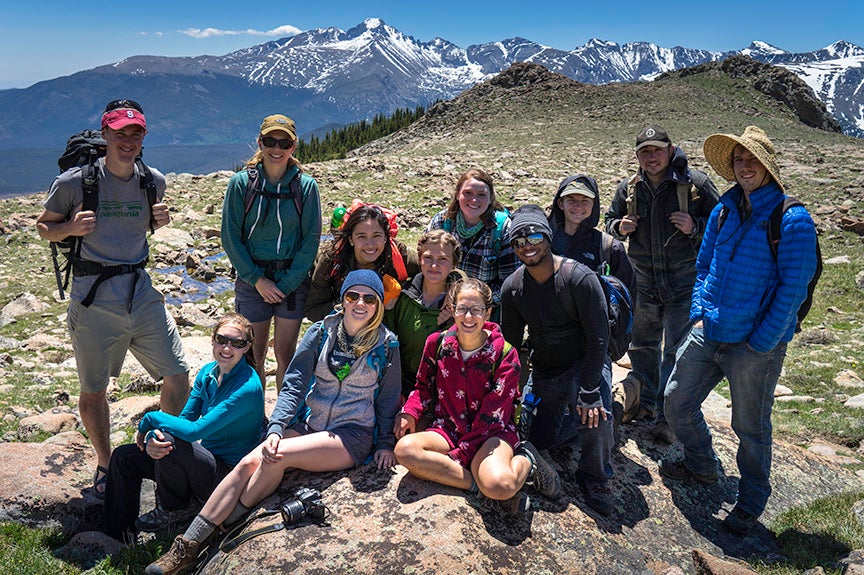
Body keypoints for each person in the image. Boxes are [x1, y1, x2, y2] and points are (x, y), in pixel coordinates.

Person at [146, 270, 401, 575]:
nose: (360, 303)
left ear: (377, 305)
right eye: (352, 295)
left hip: (351, 435)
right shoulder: (320, 333)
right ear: (343, 300)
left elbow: (388, 399)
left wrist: (385, 442)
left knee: (278, 456)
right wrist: (277, 427)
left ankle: (225, 525)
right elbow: (294, 383)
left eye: (369, 298)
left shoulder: (387, 345)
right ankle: (185, 547)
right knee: (249, 462)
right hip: (310, 424)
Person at [660, 126, 818, 535]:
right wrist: (698, 312)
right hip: (710, 328)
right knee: (676, 401)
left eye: (752, 160)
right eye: (738, 160)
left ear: (768, 165)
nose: (744, 167)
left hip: (754, 344)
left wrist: (763, 341)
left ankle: (750, 502)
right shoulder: (724, 209)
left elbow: (793, 289)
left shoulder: (792, 219)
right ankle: (701, 464)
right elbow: (706, 264)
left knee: (750, 426)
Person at [35, 99, 189, 499]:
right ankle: (106, 462)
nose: (127, 140)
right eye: (120, 132)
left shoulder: (152, 180)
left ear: (143, 137)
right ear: (105, 135)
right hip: (93, 300)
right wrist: (69, 226)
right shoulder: (74, 183)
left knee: (178, 375)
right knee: (93, 390)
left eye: (135, 132)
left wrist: (159, 221)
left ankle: (155, 451)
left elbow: (144, 228)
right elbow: (43, 228)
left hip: (140, 291)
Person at [394, 278, 560, 516]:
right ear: (452, 309)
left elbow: (493, 416)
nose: (469, 317)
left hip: (492, 434)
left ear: (488, 312)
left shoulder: (505, 354)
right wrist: (409, 412)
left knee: (500, 485)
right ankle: (477, 486)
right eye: (462, 308)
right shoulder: (437, 343)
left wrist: (459, 456)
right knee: (405, 450)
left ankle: (527, 460)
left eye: (476, 310)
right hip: (449, 428)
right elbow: (422, 386)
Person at [103, 313, 264, 542]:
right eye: (222, 339)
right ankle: (116, 536)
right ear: (213, 339)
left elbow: (193, 431)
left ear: (247, 347)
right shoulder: (208, 373)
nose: (227, 347)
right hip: (203, 462)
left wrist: (150, 419)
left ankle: (177, 508)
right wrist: (152, 440)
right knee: (122, 457)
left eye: (237, 343)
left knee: (172, 441)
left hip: (227, 476)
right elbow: (185, 419)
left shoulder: (248, 387)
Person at [604, 125, 719, 443]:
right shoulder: (629, 188)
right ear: (638, 156)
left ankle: (669, 414)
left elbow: (723, 221)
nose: (651, 157)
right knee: (643, 345)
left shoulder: (694, 184)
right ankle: (647, 404)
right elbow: (609, 220)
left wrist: (695, 226)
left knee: (678, 349)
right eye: (645, 151)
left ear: (670, 151)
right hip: (643, 281)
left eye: (657, 150)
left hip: (685, 281)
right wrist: (620, 227)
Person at [501, 204, 615, 516]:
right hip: (547, 370)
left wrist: (591, 391)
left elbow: (599, 339)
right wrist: (510, 392)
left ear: (548, 236)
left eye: (534, 235)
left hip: (585, 363)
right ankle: (579, 424)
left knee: (595, 415)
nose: (528, 245)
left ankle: (596, 476)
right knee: (539, 438)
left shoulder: (580, 279)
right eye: (519, 241)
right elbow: (510, 347)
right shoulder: (513, 288)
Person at [221, 114, 321, 391]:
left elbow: (310, 241)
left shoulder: (305, 187)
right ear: (260, 142)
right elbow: (230, 237)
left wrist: (286, 284)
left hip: (292, 281)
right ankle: (254, 421)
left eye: (284, 143)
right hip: (254, 281)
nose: (276, 149)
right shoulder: (241, 184)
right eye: (270, 141)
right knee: (253, 356)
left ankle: (282, 423)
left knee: (286, 356)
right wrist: (257, 280)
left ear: (294, 146)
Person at [384, 229, 466, 399]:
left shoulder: (463, 304)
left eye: (443, 259)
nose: (434, 265)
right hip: (403, 383)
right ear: (420, 259)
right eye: (428, 257)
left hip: (446, 387)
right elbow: (386, 341)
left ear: (453, 264)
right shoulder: (402, 296)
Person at [426, 169, 519, 318]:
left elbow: (510, 284)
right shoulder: (442, 222)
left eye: (481, 195)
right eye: (467, 193)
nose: (474, 200)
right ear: (457, 195)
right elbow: (426, 265)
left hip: (483, 313)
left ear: (491, 199)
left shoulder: (502, 229)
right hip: (441, 307)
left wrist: (473, 304)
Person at [305, 202, 419, 322]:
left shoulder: (398, 256)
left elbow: (433, 273)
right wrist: (351, 305)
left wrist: (401, 295)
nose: (370, 245)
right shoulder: (332, 259)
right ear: (351, 239)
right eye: (361, 237)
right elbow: (313, 310)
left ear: (386, 237)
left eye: (376, 236)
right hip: (343, 323)